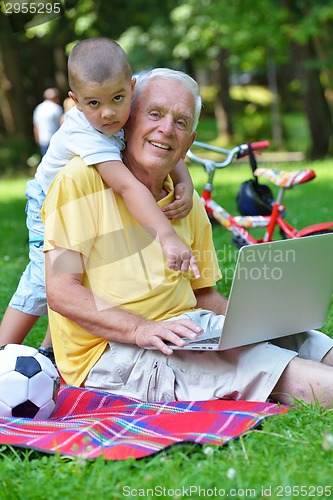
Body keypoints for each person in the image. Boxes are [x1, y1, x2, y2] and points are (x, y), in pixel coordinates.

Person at [42, 68, 333, 407]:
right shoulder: (80, 181)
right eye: (155, 114)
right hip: (111, 352)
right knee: (265, 367)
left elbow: (202, 293)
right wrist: (140, 329)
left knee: (305, 340)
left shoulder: (186, 200)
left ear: (189, 142)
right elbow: (61, 292)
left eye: (180, 122)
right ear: (128, 120)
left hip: (186, 329)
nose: (166, 129)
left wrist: (252, 323)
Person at [0, 39, 197, 361]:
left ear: (131, 88)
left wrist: (184, 182)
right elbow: (126, 187)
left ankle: (51, 349)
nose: (107, 113)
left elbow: (165, 146)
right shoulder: (87, 133)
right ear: (75, 102)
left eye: (117, 99)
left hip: (88, 200)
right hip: (49, 202)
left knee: (88, 271)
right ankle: (4, 351)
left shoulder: (124, 111)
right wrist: (167, 237)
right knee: (46, 277)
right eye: (93, 104)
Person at [33, 88, 63, 156]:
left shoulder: (38, 108)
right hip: (56, 139)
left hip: (43, 139)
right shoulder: (57, 108)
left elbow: (36, 126)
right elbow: (61, 124)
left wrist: (37, 139)